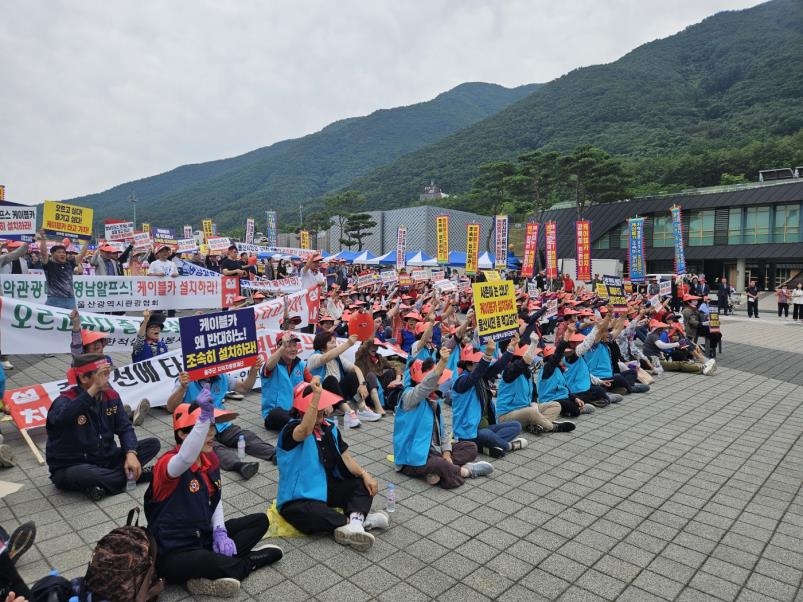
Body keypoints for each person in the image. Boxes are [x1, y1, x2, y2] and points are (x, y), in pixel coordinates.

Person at [145, 393, 282, 598]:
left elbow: (214, 500)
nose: (212, 434)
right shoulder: (168, 464)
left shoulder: (210, 460)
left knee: (260, 521)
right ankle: (249, 562)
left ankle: (213, 569)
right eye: (205, 428)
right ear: (183, 434)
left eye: (212, 427)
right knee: (202, 561)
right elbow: (185, 458)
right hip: (173, 551)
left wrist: (220, 532)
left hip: (204, 536)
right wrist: (202, 419)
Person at [276, 378, 390, 551]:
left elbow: (346, 457)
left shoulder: (329, 428)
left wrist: (365, 474)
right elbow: (305, 430)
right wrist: (315, 398)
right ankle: (359, 522)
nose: (321, 408)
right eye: (316, 404)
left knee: (361, 484)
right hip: (299, 498)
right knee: (310, 512)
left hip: (325, 489)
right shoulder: (291, 429)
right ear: (301, 407)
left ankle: (354, 526)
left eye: (322, 403)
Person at [45, 354, 161, 501]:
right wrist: (93, 390)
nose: (108, 378)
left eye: (108, 373)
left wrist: (131, 453)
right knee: (87, 474)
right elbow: (61, 418)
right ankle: (135, 476)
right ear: (84, 378)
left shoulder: (111, 396)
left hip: (105, 458)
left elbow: (125, 428)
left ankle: (102, 484)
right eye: (102, 374)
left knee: (152, 444)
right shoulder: (64, 401)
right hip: (73, 465)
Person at [393, 350, 494, 488]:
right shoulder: (408, 398)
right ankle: (466, 471)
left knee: (470, 447)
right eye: (436, 383)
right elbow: (424, 387)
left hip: (436, 452)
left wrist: (446, 453)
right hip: (411, 459)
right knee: (438, 464)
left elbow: (443, 432)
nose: (438, 385)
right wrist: (441, 364)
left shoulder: (434, 401)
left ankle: (441, 471)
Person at [166, 361, 272, 481]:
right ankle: (239, 466)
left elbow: (244, 387)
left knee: (247, 436)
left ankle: (275, 454)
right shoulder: (186, 379)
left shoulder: (221, 376)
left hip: (222, 424)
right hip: (199, 428)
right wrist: (182, 388)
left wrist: (253, 371)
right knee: (216, 449)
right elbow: (170, 407)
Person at [69, 309, 150, 425]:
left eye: (99, 342)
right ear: (85, 348)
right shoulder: (80, 360)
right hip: (88, 397)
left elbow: (115, 377)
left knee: (114, 395)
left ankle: (128, 414)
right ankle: (126, 415)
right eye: (93, 343)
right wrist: (76, 324)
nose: (98, 344)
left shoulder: (106, 359)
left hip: (107, 396)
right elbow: (76, 344)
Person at [451, 340, 527, 458]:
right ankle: (508, 446)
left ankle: (485, 446)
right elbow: (475, 375)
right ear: (468, 365)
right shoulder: (461, 381)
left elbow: (497, 367)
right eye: (478, 363)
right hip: (468, 432)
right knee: (487, 435)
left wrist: (511, 347)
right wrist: (487, 355)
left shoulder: (482, 377)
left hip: (485, 427)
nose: (483, 367)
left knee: (516, 426)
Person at [496, 333, 576, 435]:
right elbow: (522, 363)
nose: (533, 358)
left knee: (556, 405)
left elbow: (534, 394)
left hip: (526, 409)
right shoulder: (509, 372)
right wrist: (533, 344)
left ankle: (537, 425)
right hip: (507, 415)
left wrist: (534, 404)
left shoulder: (528, 372)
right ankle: (554, 427)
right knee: (531, 412)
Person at [305, 331, 381, 427]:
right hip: (323, 397)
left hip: (339, 396)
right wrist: (348, 344)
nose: (335, 345)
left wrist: (363, 385)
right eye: (332, 342)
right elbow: (325, 357)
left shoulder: (338, 358)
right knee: (331, 379)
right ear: (322, 345)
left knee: (352, 376)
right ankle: (348, 413)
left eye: (335, 342)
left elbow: (356, 368)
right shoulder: (314, 357)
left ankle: (362, 409)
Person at [260, 331, 307, 432]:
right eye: (289, 346)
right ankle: (300, 428)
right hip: (274, 414)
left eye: (295, 346)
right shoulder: (273, 364)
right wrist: (282, 347)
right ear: (279, 347)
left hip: (296, 412)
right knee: (276, 412)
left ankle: (299, 427)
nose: (293, 349)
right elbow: (268, 366)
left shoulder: (301, 365)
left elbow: (312, 383)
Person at [38, 229, 89, 309]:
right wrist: (43, 238)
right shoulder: (49, 264)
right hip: (54, 300)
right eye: (59, 252)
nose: (62, 254)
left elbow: (82, 254)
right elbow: (43, 252)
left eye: (63, 252)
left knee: (73, 321)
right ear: (52, 254)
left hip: (70, 299)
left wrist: (87, 240)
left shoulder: (69, 263)